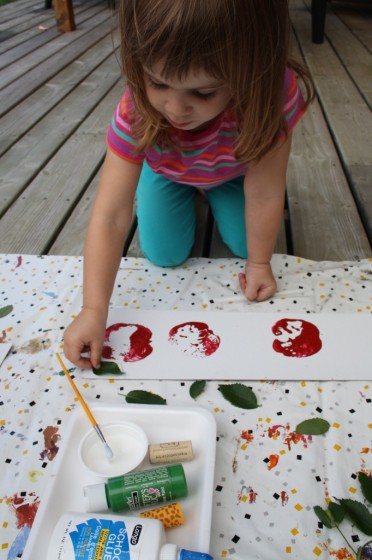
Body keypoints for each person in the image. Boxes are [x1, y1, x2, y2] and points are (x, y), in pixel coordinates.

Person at [64, 0, 314, 369]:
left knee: (250, 245)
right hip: (166, 170)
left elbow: (264, 191)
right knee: (164, 254)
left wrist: (259, 264)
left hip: (232, 174)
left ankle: (211, 194)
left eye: (203, 92)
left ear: (251, 70)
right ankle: (189, 191)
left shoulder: (269, 95)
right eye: (158, 82)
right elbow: (112, 215)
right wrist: (94, 308)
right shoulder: (138, 109)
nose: (176, 109)